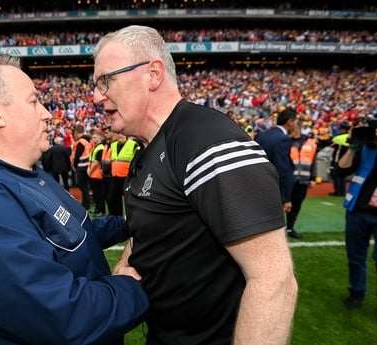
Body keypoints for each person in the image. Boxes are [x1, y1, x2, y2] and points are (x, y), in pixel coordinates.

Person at [93, 25, 297, 345]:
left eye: (106, 80)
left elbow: (273, 280)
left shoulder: (206, 139)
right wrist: (125, 264)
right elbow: (146, 231)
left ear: (153, 74)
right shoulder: (147, 150)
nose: (96, 96)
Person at [0, 53, 148, 344]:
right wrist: (132, 285)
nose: (47, 113)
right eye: (34, 102)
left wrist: (129, 224)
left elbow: (73, 233)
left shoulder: (28, 174)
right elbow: (63, 315)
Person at [336, 110, 377, 324]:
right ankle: (357, 291)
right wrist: (354, 144)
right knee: (355, 257)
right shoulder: (369, 145)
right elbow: (341, 169)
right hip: (358, 209)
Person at [256, 107, 301, 239]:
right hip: (273, 189)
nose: (297, 125)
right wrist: (285, 198)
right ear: (290, 122)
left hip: (258, 185)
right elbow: (282, 170)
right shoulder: (283, 139)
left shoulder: (262, 135)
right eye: (296, 121)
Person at [287, 123, 318, 238]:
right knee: (283, 205)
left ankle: (290, 228)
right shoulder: (286, 141)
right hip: (288, 179)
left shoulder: (310, 142)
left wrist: (313, 178)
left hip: (303, 180)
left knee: (296, 205)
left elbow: (313, 161)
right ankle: (279, 230)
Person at [107, 132, 140, 216]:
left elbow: (137, 160)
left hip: (127, 178)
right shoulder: (113, 145)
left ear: (127, 135)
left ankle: (131, 220)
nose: (120, 135)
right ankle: (116, 220)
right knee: (112, 198)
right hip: (115, 177)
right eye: (118, 134)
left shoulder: (134, 145)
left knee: (129, 201)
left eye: (122, 134)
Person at [70, 123, 92, 210]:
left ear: (76, 132)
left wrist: (74, 165)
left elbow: (77, 156)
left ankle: (86, 203)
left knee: (82, 186)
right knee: (86, 186)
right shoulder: (88, 140)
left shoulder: (80, 142)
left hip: (82, 166)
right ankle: (87, 202)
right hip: (87, 165)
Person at [330, 120, 352, 196]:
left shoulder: (338, 138)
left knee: (336, 175)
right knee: (343, 176)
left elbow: (331, 145)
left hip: (337, 159)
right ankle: (343, 191)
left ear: (344, 129)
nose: (340, 130)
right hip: (347, 159)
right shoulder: (350, 137)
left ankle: (337, 191)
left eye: (341, 128)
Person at [88, 129, 106, 216]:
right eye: (92, 138)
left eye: (94, 137)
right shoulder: (96, 147)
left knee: (99, 194)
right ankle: (97, 209)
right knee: (96, 193)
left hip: (97, 174)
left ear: (100, 137)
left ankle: (101, 210)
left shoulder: (100, 147)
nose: (93, 139)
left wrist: (90, 170)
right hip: (94, 174)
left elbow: (97, 161)